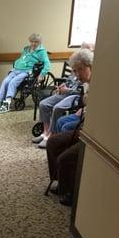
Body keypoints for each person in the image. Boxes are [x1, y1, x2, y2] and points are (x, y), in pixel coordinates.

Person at [46, 48, 93, 206]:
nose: (77, 74)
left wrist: (86, 102)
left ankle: (72, 192)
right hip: (83, 128)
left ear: (89, 66)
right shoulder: (86, 84)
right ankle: (61, 183)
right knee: (52, 142)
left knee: (65, 158)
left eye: (80, 69)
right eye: (74, 70)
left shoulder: (99, 84)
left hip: (91, 134)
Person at [0, 33, 50, 114]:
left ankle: (7, 103)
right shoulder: (26, 49)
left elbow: (47, 64)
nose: (34, 44)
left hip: (26, 71)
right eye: (32, 41)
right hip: (16, 70)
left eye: (36, 42)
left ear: (39, 42)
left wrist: (42, 74)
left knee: (12, 82)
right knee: (5, 81)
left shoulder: (42, 52)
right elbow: (22, 59)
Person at [32, 75, 82, 148]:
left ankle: (51, 135)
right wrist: (63, 86)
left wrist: (68, 90)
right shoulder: (75, 71)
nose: (75, 72)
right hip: (65, 93)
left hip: (75, 97)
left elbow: (81, 92)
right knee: (43, 104)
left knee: (57, 108)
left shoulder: (87, 75)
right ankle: (45, 132)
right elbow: (69, 80)